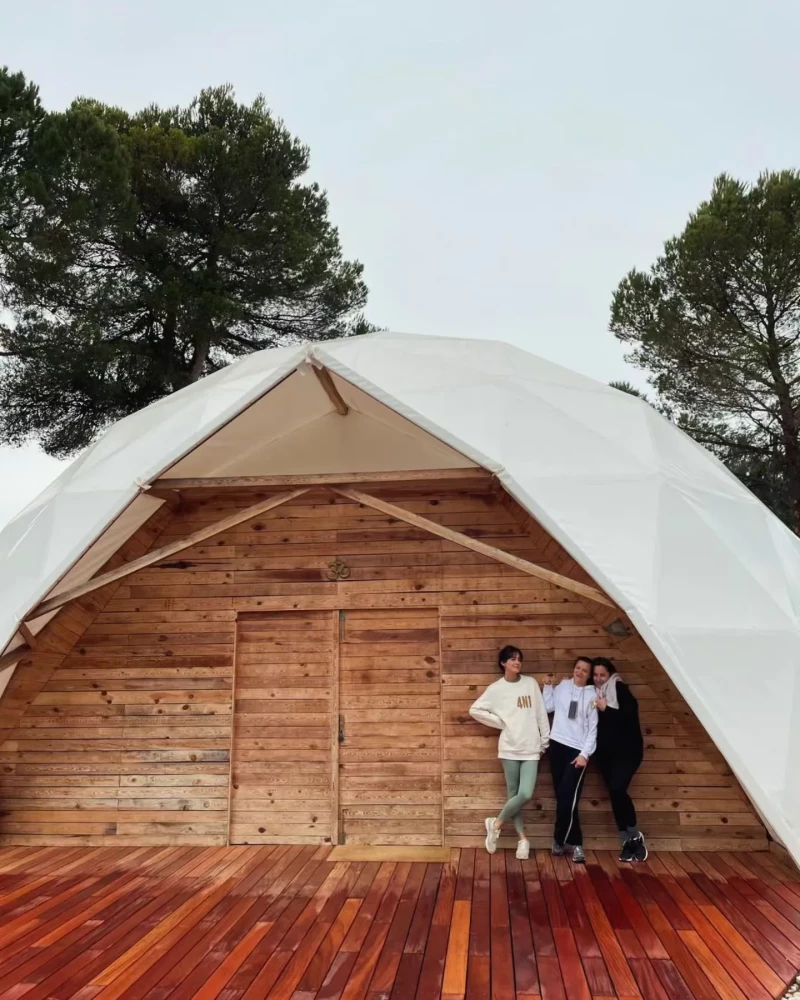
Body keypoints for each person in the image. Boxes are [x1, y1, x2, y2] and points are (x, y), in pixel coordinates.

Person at [469, 645, 550, 860]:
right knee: (514, 795)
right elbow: (475, 709)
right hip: (509, 749)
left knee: (525, 794)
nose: (517, 662)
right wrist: (500, 722)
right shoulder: (496, 689)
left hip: (531, 749)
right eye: (513, 659)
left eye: (519, 659)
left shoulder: (530, 684)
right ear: (503, 663)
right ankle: (523, 840)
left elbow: (542, 714)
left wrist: (544, 743)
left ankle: (495, 824)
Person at [542, 657, 598, 864]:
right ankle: (570, 843)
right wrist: (548, 686)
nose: (580, 672)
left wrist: (585, 754)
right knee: (564, 798)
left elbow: (593, 730)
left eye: (584, 670)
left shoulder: (593, 695)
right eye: (577, 668)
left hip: (577, 751)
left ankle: (565, 841)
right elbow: (548, 707)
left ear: (589, 674)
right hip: (556, 746)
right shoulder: (564, 686)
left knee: (568, 797)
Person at [592, 656, 647, 862]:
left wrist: (606, 709)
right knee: (615, 795)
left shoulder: (620, 690)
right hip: (605, 755)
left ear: (610, 674)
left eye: (602, 675)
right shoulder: (594, 693)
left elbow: (629, 718)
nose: (598, 679)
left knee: (617, 789)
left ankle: (635, 835)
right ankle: (626, 841)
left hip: (627, 752)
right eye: (595, 675)